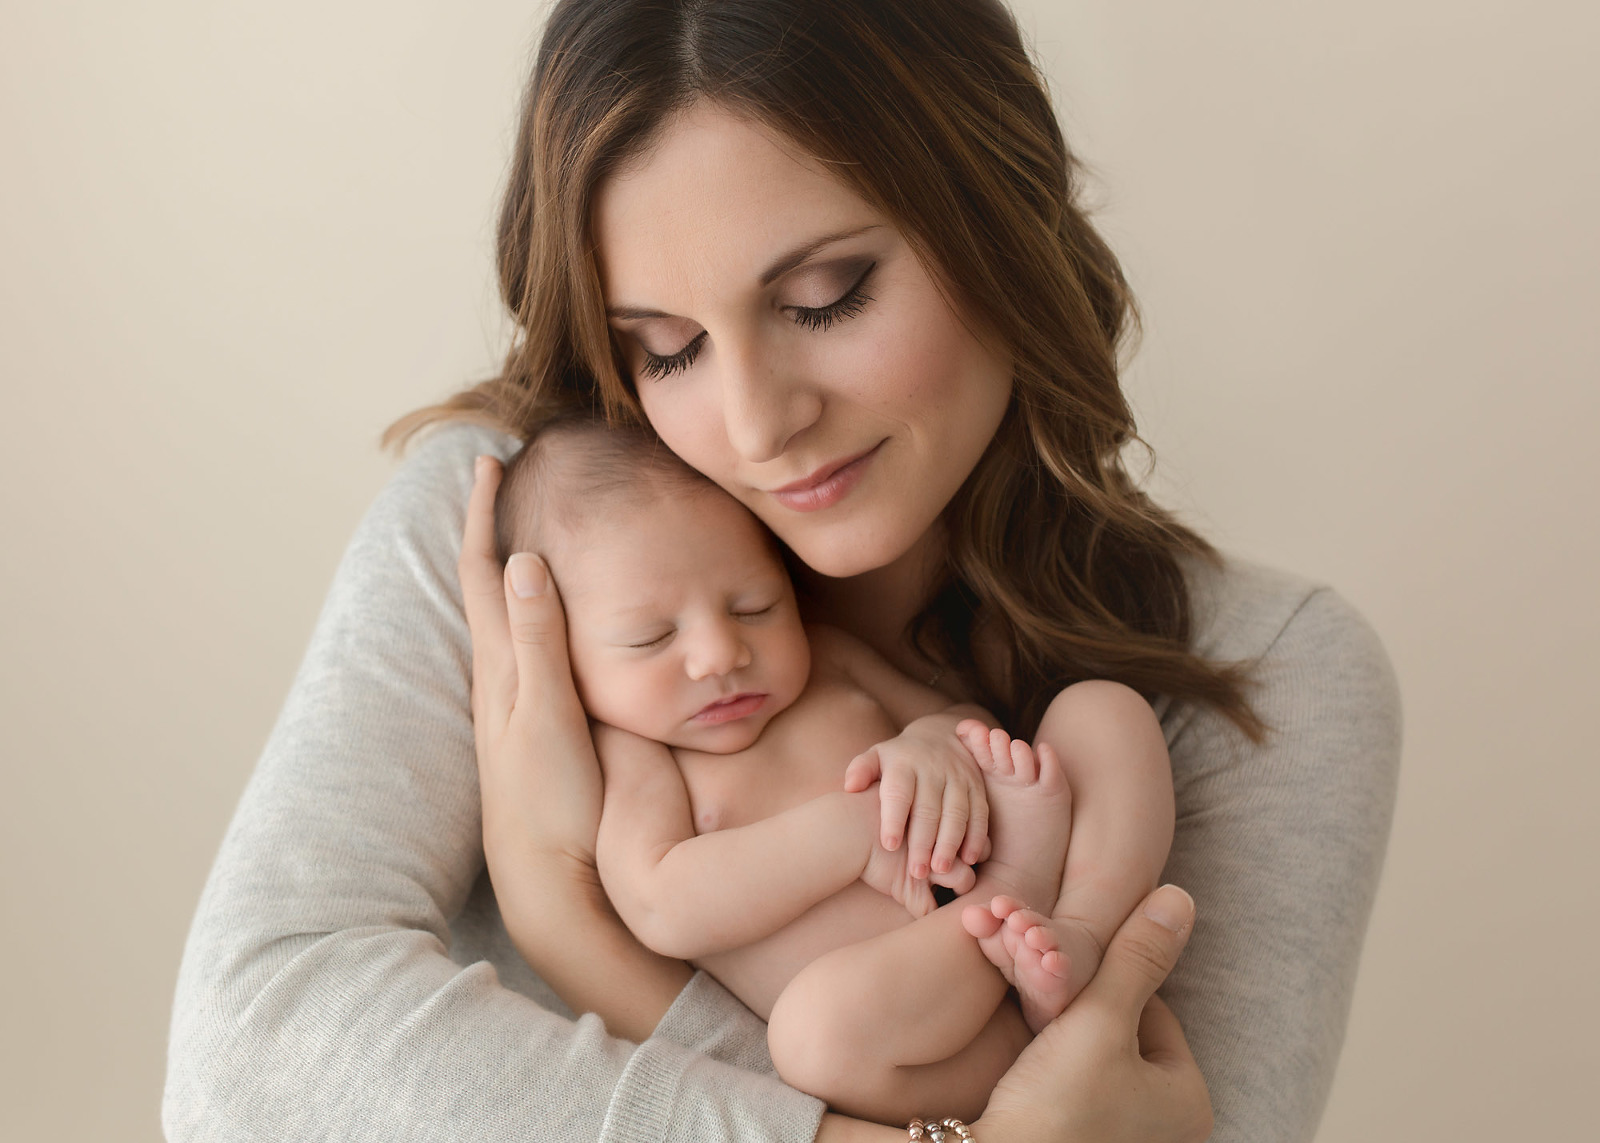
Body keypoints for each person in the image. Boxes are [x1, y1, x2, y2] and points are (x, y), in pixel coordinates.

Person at [164, 2, 1401, 1141]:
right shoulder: (516, 544)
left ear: (1001, 221)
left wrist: (577, 932)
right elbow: (243, 1062)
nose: (754, 426)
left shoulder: (1277, 672)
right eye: (668, 348)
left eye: (825, 296)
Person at [485, 417, 1175, 1123]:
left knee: (1102, 711)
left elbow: (969, 722)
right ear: (562, 650)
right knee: (812, 1036)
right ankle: (1014, 899)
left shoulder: (826, 657)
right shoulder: (637, 751)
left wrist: (932, 742)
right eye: (651, 636)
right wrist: (854, 830)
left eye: (755, 605)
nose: (721, 652)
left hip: (1042, 930)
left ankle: (1085, 930)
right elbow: (662, 901)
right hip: (920, 1021)